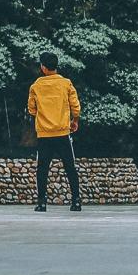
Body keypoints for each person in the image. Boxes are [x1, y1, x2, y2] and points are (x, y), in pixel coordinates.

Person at [27, 51, 82, 212]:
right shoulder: (66, 83)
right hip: (63, 133)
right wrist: (75, 120)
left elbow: (31, 109)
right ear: (56, 66)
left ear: (43, 67)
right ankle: (76, 201)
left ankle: (42, 202)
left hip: (44, 134)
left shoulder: (36, 86)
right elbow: (75, 105)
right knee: (70, 167)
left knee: (42, 168)